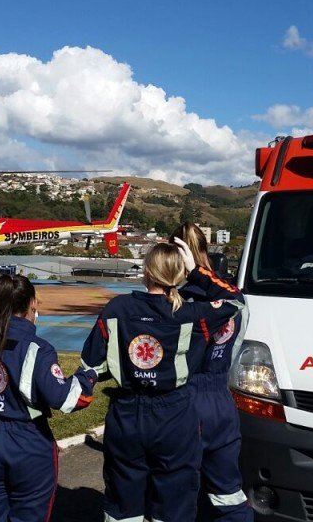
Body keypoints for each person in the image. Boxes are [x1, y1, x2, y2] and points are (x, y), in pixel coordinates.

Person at [81, 239, 246, 522]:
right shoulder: (191, 315)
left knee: (123, 501)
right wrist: (197, 272)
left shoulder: (117, 309)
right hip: (175, 414)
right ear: (179, 275)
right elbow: (234, 299)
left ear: (146, 271)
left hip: (128, 413)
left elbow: (91, 364)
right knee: (174, 502)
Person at [0, 274, 97, 522]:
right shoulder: (37, 348)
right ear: (32, 303)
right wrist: (87, 378)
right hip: (28, 443)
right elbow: (65, 398)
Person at [171, 223, 253, 522]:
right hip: (221, 403)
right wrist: (201, 274)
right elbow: (238, 300)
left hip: (183, 403)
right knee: (228, 493)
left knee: (176, 495)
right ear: (205, 250)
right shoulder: (228, 299)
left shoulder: (177, 301)